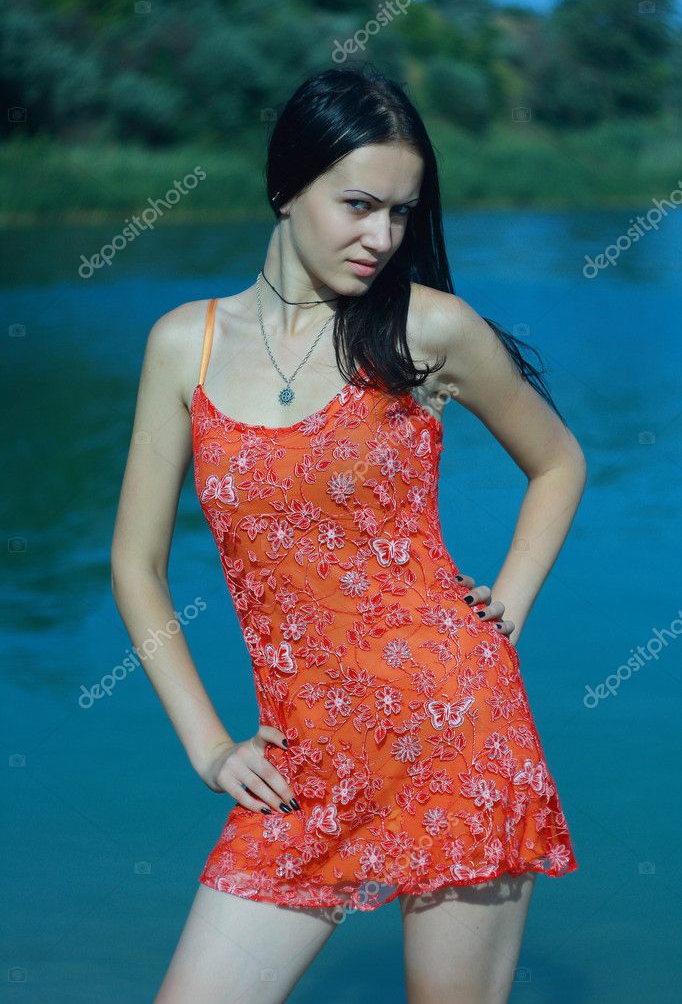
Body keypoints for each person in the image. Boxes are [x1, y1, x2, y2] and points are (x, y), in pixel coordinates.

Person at [111, 64, 586, 1004]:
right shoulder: (184, 344)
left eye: (402, 213)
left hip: (456, 737)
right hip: (299, 771)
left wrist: (506, 611)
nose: (382, 237)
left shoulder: (427, 330)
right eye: (358, 204)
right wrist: (209, 746)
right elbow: (136, 563)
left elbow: (559, 462)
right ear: (287, 186)